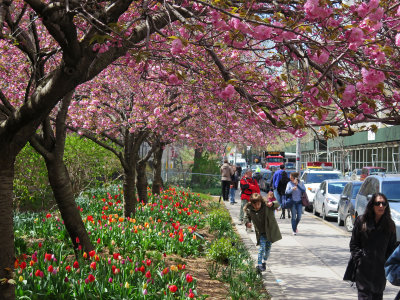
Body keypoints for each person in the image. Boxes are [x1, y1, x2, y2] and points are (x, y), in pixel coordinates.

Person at [348, 193, 396, 300]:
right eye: (377, 203)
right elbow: (354, 244)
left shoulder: (390, 225)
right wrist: (360, 259)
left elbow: (392, 249)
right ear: (371, 205)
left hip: (379, 272)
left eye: (384, 204)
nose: (381, 206)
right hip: (363, 271)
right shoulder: (361, 221)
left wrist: (386, 263)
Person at [243, 193, 282, 272]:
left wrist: (273, 203)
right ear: (252, 204)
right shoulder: (250, 209)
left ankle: (264, 261)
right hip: (261, 233)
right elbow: (246, 217)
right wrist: (247, 223)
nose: (257, 206)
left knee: (267, 250)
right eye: (255, 205)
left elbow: (278, 205)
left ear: (261, 202)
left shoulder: (267, 206)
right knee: (261, 248)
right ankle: (259, 264)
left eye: (258, 204)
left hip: (269, 232)